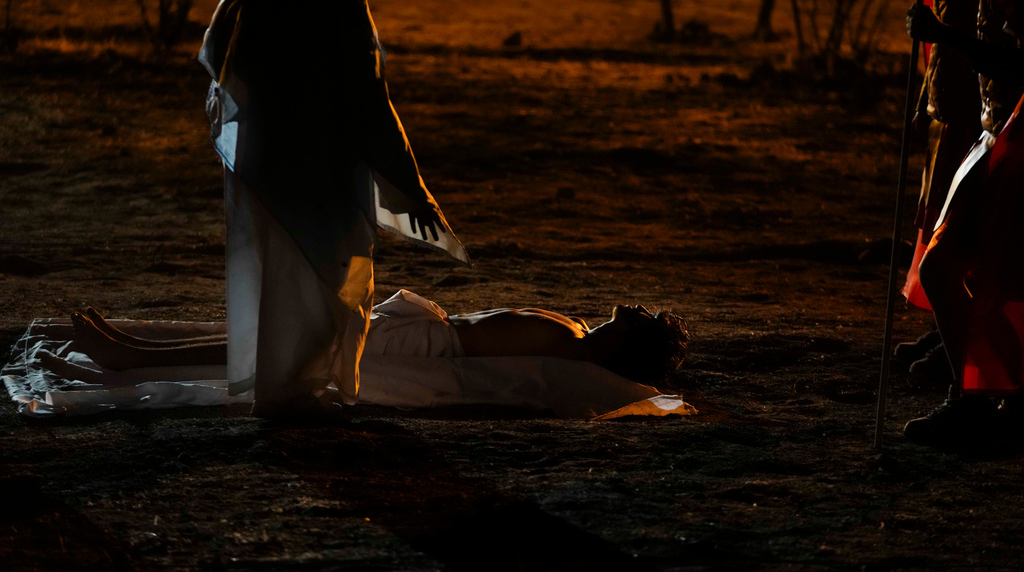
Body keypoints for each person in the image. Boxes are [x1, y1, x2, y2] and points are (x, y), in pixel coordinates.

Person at [197, 0, 468, 418]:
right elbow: (368, 98)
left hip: (262, 165)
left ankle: (286, 390)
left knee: (285, 280)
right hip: (316, 174)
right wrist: (409, 185)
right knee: (327, 281)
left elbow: (219, 70)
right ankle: (293, 394)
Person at [903, 0, 1024, 446]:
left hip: (1011, 134)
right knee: (968, 270)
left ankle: (975, 402)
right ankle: (989, 397)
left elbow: (1019, 62)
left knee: (951, 266)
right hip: (994, 128)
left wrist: (942, 36)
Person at [67, 295, 689, 387]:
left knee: (278, 346)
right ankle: (133, 349)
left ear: (631, 340)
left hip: (420, 348)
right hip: (422, 332)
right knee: (273, 335)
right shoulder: (579, 332)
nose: (636, 306)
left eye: (645, 316)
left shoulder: (578, 350)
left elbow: (492, 363)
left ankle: (132, 358)